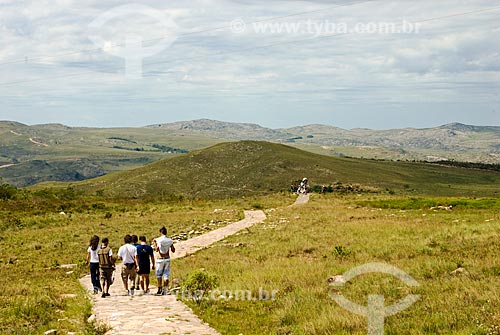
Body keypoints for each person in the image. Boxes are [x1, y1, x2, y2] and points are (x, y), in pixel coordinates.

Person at [154, 226, 175, 296]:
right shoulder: (169, 240)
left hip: (160, 258)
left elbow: (157, 250)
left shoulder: (158, 240)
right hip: (167, 258)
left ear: (160, 232)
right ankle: (165, 289)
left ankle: (159, 287)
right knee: (166, 274)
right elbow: (173, 250)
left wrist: (155, 244)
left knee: (159, 274)